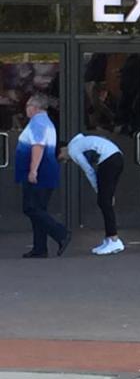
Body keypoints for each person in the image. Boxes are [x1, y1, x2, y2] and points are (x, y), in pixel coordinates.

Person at [16, 94, 70, 258]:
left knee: (31, 208)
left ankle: (61, 233)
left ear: (35, 107)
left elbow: (38, 146)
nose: (26, 109)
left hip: (40, 172)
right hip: (46, 171)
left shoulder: (38, 122)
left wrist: (33, 170)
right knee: (39, 209)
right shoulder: (46, 122)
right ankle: (40, 247)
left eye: (28, 106)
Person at [64, 133, 124, 255]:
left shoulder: (72, 150)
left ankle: (114, 239)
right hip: (116, 156)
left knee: (104, 202)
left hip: (107, 160)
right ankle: (109, 239)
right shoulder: (80, 142)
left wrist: (98, 189)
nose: (65, 161)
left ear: (62, 149)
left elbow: (88, 170)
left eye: (61, 158)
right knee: (105, 201)